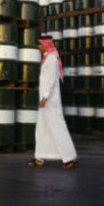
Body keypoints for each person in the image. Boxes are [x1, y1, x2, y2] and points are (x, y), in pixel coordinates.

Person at [28, 35, 78, 169]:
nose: (38, 47)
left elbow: (51, 80)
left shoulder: (51, 59)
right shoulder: (48, 57)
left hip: (50, 101)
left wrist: (44, 97)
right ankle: (40, 156)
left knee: (57, 127)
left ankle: (70, 156)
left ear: (45, 45)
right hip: (45, 100)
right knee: (42, 128)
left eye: (40, 44)